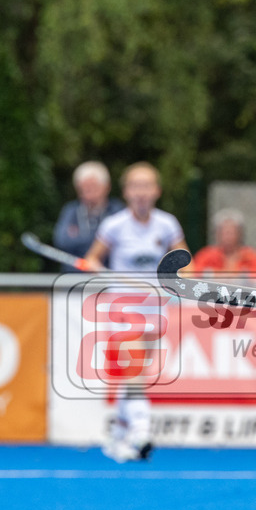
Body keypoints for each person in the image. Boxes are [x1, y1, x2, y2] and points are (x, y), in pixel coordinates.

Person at [84, 162, 190, 463]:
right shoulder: (114, 226)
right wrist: (94, 265)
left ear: (156, 191)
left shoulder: (167, 224)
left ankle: (118, 436)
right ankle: (141, 432)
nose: (141, 193)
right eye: (135, 186)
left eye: (147, 186)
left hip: (156, 308)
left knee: (137, 374)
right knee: (134, 373)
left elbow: (184, 259)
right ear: (127, 192)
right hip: (123, 308)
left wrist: (182, 279)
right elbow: (93, 258)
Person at [52, 161, 125, 272]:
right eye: (83, 188)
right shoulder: (70, 210)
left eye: (93, 187)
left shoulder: (117, 210)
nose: (88, 192)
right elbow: (62, 241)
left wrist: (81, 240)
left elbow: (123, 243)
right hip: (73, 278)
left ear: (107, 187)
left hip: (108, 277)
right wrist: (102, 243)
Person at [191, 208, 256, 281]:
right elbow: (193, 273)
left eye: (232, 232)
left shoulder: (250, 255)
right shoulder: (207, 255)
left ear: (239, 233)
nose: (228, 236)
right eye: (225, 232)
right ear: (217, 233)